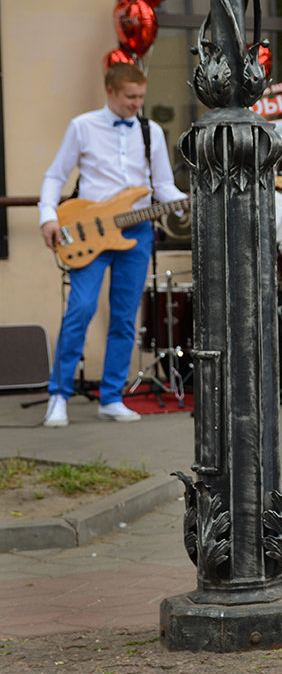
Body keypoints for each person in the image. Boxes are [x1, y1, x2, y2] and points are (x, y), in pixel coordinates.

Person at [38, 62, 188, 427]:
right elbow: (56, 175)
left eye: (141, 97)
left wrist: (186, 201)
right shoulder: (83, 127)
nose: (137, 103)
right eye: (130, 97)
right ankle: (58, 395)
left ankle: (112, 397)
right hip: (88, 229)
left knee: (124, 318)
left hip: (135, 231)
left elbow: (163, 185)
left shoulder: (150, 131)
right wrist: (48, 216)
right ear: (110, 92)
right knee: (81, 309)